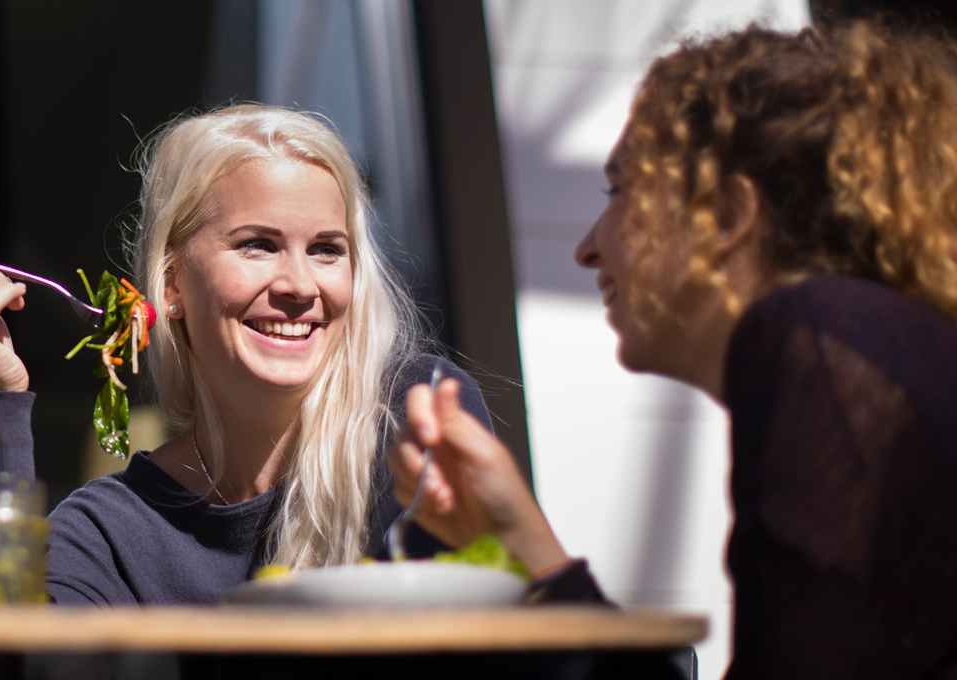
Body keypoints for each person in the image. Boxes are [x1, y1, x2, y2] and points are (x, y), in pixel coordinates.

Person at [390, 20, 957, 678]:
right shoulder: (872, 347)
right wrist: (518, 541)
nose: (587, 246)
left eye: (621, 189)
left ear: (727, 213)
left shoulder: (818, 334)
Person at [0, 104, 497, 605]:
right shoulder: (114, 533)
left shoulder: (414, 417)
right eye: (258, 245)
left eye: (326, 250)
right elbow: (2, 652)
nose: (299, 284)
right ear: (170, 286)